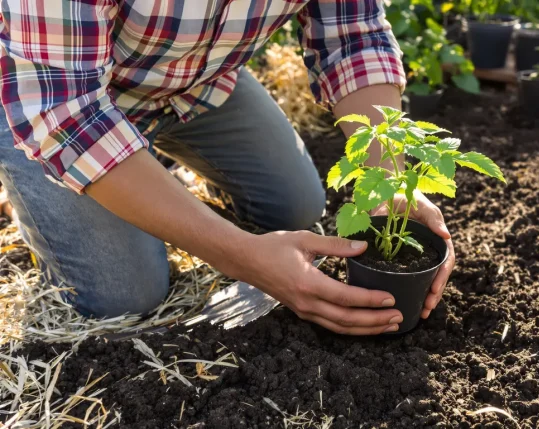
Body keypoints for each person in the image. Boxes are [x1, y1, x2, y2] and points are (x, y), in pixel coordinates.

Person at [0, 1, 455, 335]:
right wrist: (239, 255)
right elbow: (66, 110)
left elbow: (353, 33)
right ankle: (40, 182)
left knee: (298, 207)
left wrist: (388, 181)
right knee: (127, 295)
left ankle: (143, 172)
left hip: (192, 83)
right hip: (47, 91)